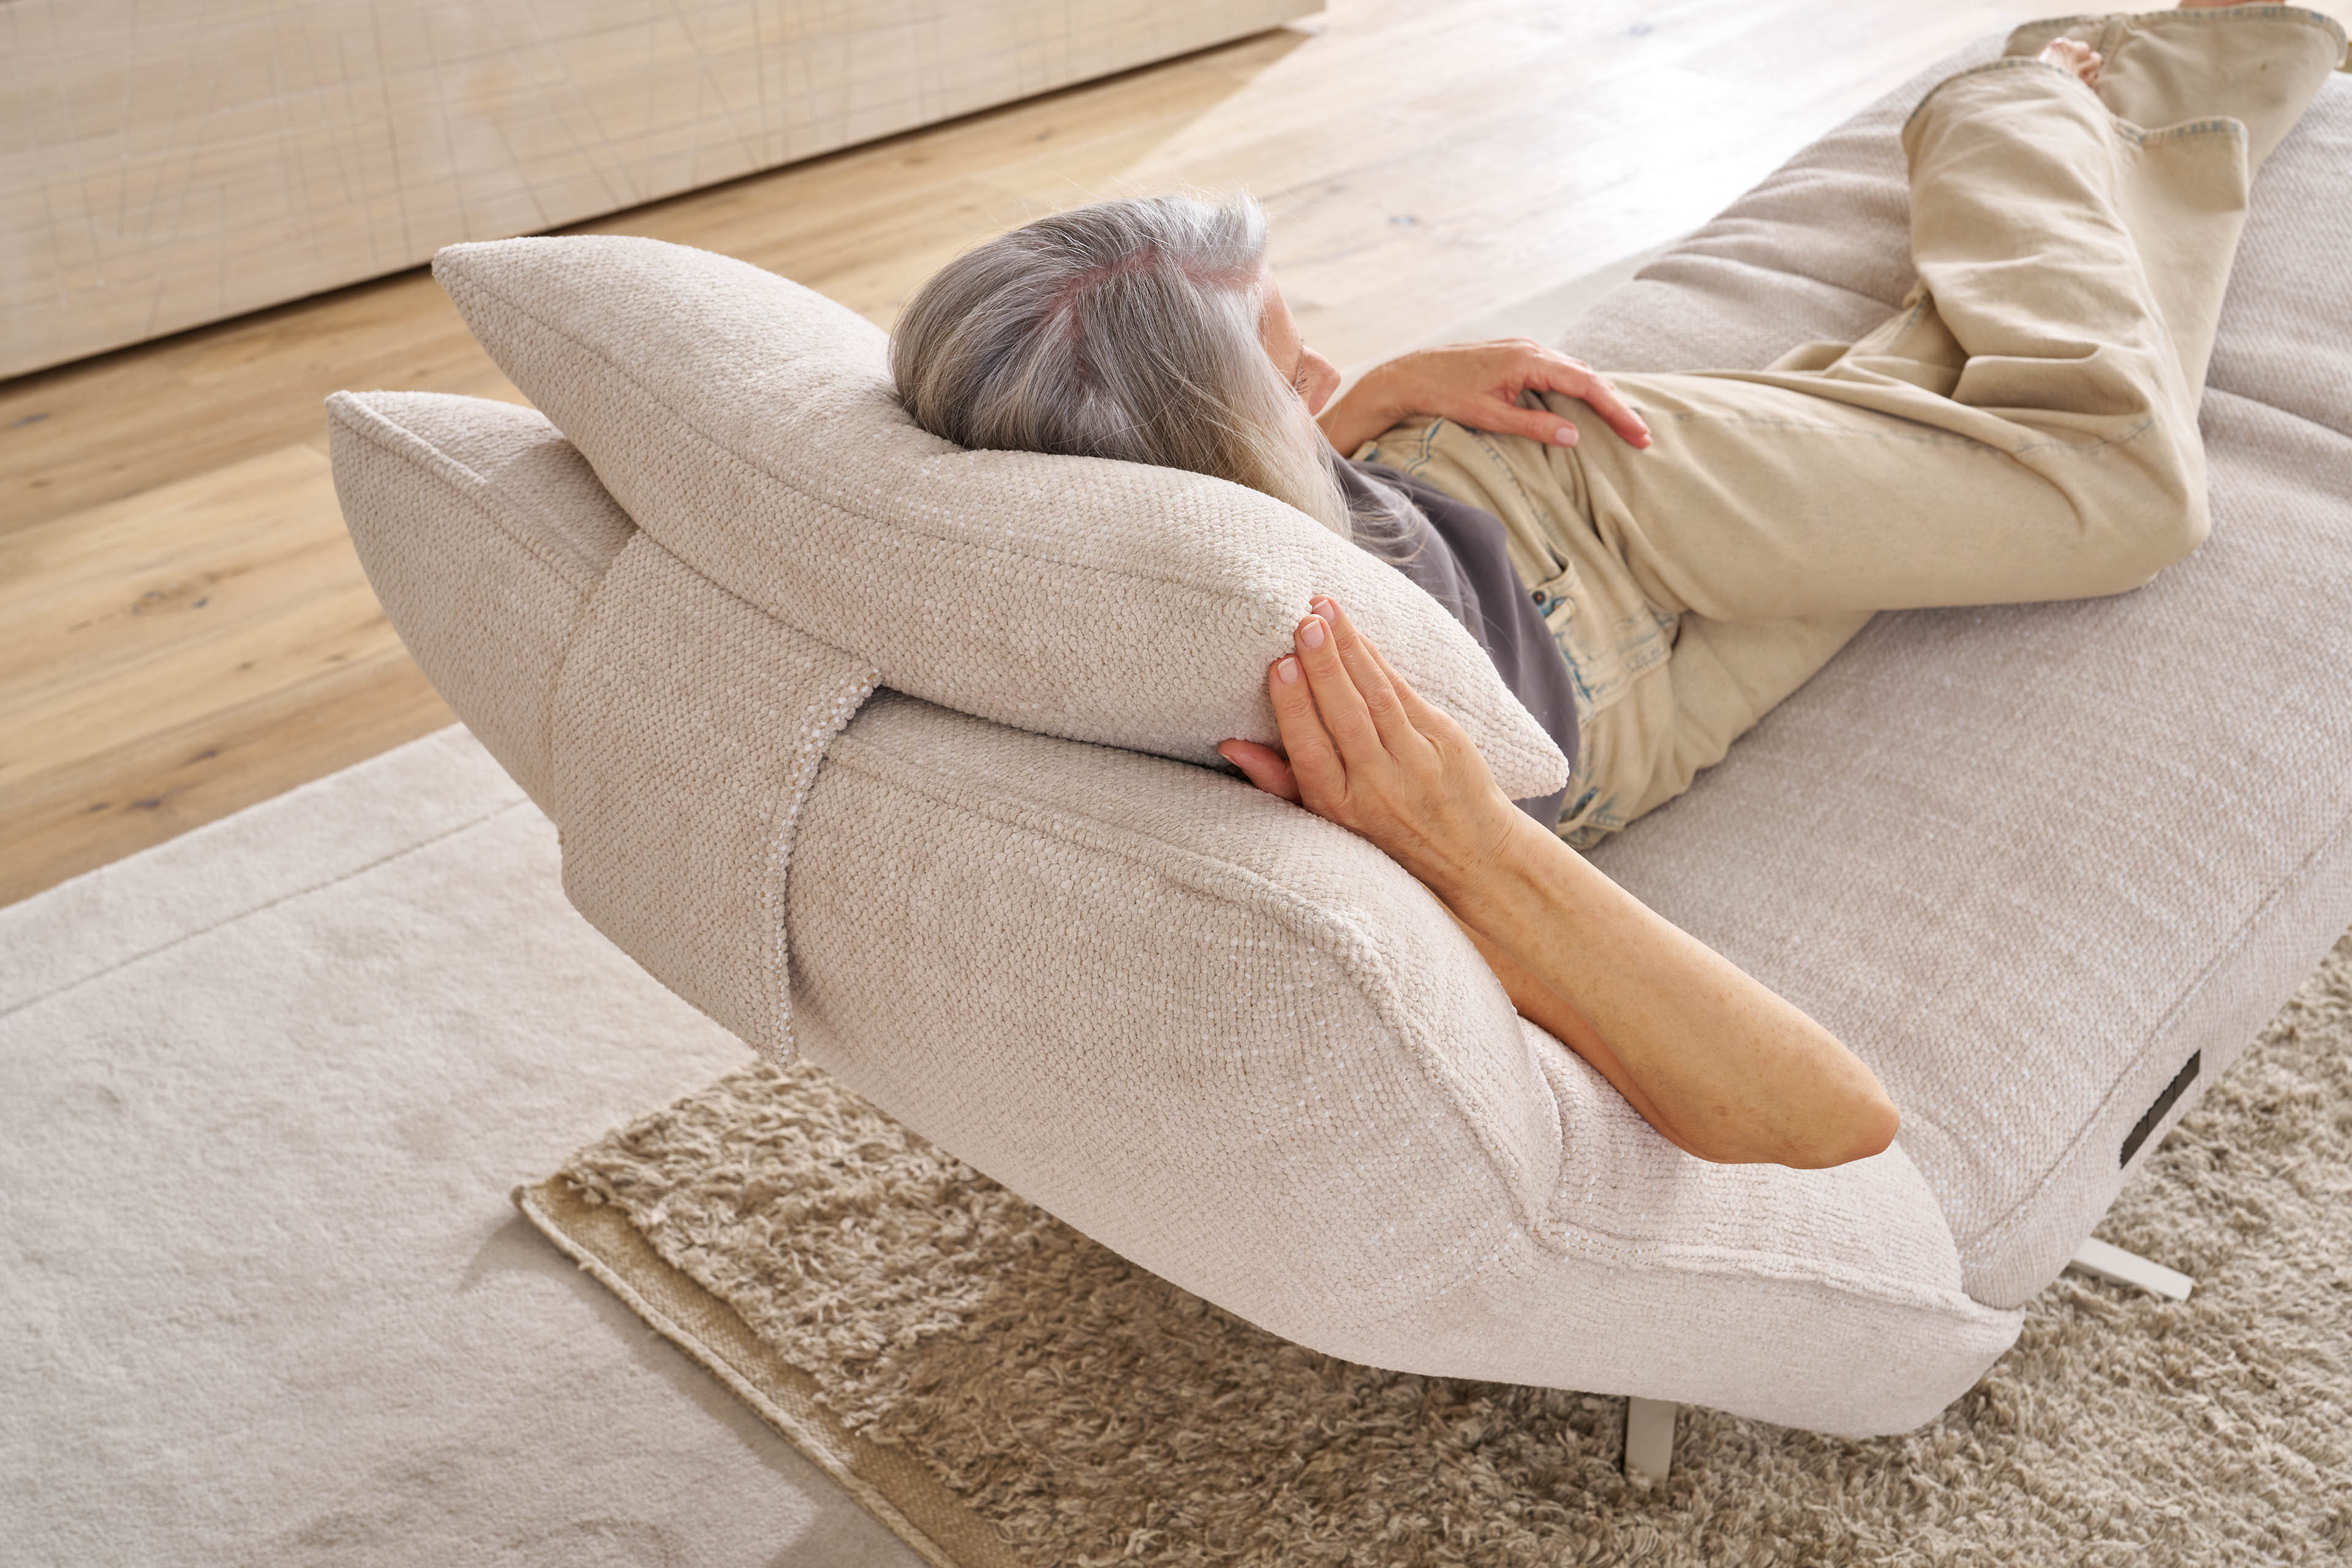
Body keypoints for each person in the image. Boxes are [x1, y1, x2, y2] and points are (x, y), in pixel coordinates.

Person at [889, 4, 2346, 1170]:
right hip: (1604, 718)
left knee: (2110, 479)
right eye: (1287, 377)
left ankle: (2014, 108)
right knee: (1963, 399)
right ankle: (2168, 72)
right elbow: (1825, 1118)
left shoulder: (1103, 535)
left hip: (1571, 504)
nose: (1326, 377)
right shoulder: (1229, 703)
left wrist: (1364, 410)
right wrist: (1466, 845)